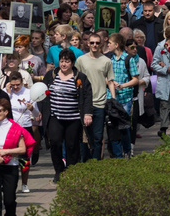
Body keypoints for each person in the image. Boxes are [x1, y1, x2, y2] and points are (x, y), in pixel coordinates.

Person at [42, 49, 93, 182]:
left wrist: (87, 113)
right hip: (55, 117)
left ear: (72, 63)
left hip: (73, 118)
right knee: (55, 143)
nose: (64, 64)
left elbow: (87, 96)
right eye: (62, 61)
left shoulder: (80, 77)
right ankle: (59, 170)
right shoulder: (51, 75)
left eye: (67, 61)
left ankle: (71, 171)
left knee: (72, 145)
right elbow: (42, 93)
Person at [75, 33, 116, 161]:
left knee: (98, 137)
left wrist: (113, 100)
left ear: (101, 44)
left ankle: (96, 163)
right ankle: (84, 162)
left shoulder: (106, 61)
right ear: (88, 43)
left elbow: (110, 81)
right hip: (84, 103)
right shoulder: (81, 60)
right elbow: (75, 79)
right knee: (84, 136)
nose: (94, 45)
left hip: (100, 102)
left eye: (97, 43)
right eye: (92, 42)